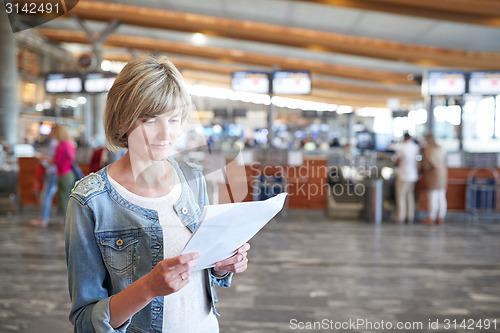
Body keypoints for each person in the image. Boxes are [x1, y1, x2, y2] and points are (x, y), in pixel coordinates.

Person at [65, 55, 250, 332]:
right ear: (121, 123)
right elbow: (85, 320)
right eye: (150, 121)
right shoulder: (91, 201)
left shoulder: (192, 179)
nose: (166, 134)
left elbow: (201, 273)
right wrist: (147, 288)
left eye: (174, 119)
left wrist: (222, 265)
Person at [30, 129, 59, 227]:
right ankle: (44, 218)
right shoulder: (57, 143)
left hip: (52, 171)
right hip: (55, 171)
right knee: (48, 195)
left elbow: (53, 160)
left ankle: (43, 219)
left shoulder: (54, 143)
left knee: (46, 195)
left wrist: (42, 157)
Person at [421, 133, 447, 225]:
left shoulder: (429, 149)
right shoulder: (441, 148)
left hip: (432, 174)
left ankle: (431, 217)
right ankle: (441, 217)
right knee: (441, 196)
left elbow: (427, 163)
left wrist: (422, 168)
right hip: (442, 173)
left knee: (432, 196)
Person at [52, 124, 77, 219]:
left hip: (63, 174)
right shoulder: (70, 144)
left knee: (63, 198)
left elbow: (57, 161)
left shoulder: (61, 145)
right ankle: (69, 220)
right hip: (70, 173)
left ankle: (67, 220)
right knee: (68, 197)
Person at [394, 132, 419, 224]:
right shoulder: (416, 147)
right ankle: (410, 216)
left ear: (404, 138)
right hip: (414, 176)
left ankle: (400, 217)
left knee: (401, 196)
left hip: (404, 175)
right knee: (410, 196)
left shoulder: (402, 148)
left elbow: (397, 161)